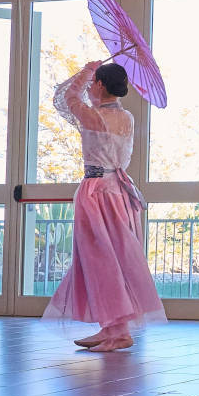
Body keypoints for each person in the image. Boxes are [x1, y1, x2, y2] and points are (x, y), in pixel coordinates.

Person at [42, 61, 164, 352]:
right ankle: (110, 325)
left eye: (94, 82)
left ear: (99, 85)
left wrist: (85, 71)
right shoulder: (127, 117)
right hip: (118, 192)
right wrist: (92, 76)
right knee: (110, 258)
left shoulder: (94, 116)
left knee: (102, 260)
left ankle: (118, 329)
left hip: (97, 192)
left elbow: (65, 98)